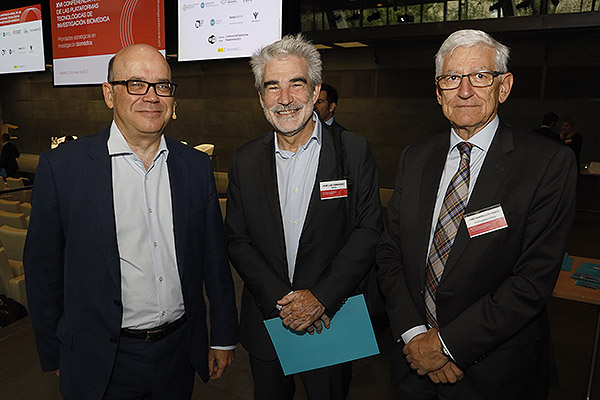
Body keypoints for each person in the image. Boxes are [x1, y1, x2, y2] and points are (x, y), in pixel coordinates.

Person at [24, 44, 238, 400]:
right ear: (109, 94)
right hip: (99, 359)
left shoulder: (195, 168)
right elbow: (43, 270)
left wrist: (223, 336)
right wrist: (54, 351)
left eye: (162, 86)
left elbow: (214, 261)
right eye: (136, 84)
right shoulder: (62, 168)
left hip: (178, 354)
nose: (152, 97)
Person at [377, 29, 576, 400]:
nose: (464, 91)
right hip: (411, 362)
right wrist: (416, 337)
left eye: (480, 76)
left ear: (504, 86)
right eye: (452, 78)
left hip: (496, 371)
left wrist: (447, 345)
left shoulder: (547, 163)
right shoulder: (415, 157)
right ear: (438, 93)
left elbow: (532, 279)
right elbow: (389, 254)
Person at [225, 34, 382, 400]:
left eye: (296, 84)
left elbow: (368, 230)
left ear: (314, 92)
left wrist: (320, 298)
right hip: (268, 320)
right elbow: (237, 239)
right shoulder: (245, 160)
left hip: (332, 320)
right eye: (272, 86)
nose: (284, 98)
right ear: (261, 98)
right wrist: (285, 299)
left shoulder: (352, 151)